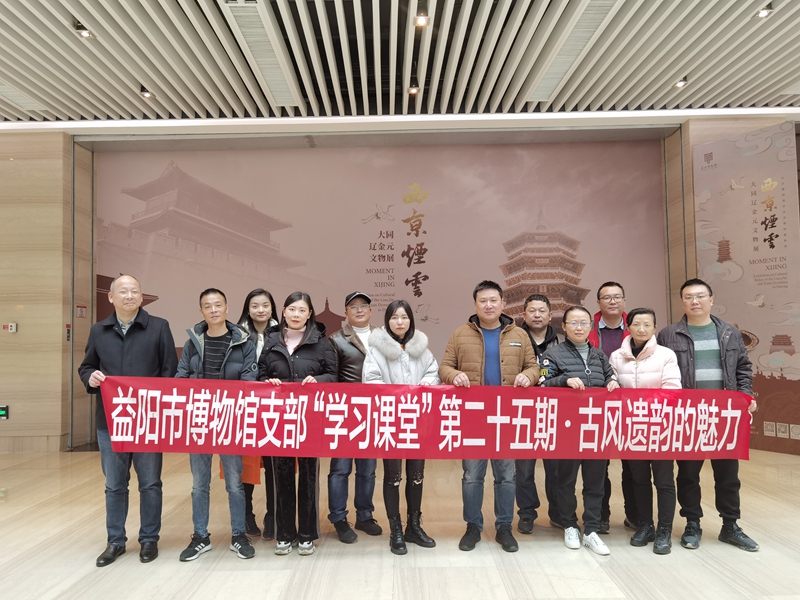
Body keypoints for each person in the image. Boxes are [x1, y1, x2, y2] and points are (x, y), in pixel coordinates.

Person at [79, 275, 178, 567]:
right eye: (123, 291)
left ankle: (149, 539)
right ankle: (115, 541)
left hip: (148, 421)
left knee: (150, 483)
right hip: (111, 421)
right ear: (111, 297)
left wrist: (158, 407)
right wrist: (91, 377)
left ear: (141, 297)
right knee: (114, 485)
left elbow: (169, 372)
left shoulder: (159, 327)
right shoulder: (98, 330)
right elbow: (87, 366)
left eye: (135, 291)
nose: (130, 295)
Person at [657, 278, 759, 552]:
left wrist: (746, 395)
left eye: (701, 296)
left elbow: (743, 368)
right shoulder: (668, 335)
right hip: (687, 416)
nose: (695, 301)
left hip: (724, 415)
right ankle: (692, 523)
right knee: (688, 473)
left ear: (711, 299)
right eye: (689, 296)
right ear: (682, 302)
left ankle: (730, 525)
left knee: (728, 474)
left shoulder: (729, 333)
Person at [439, 280, 538, 553]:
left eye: (494, 300)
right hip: (473, 417)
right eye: (483, 301)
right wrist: (453, 375)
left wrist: (528, 376)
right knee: (472, 475)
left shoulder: (519, 334)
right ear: (475, 304)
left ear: (503, 303)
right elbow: (444, 367)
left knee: (506, 475)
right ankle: (473, 527)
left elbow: (534, 367)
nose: (489, 305)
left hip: (508, 416)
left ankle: (504, 526)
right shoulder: (460, 334)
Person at [176, 288, 257, 562]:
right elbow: (181, 378)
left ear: (226, 308)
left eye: (218, 305)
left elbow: (249, 380)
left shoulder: (243, 342)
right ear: (201, 311)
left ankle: (238, 535)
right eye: (207, 306)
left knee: (235, 483)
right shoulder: (192, 342)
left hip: (230, 421)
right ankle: (200, 536)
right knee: (199, 484)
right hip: (199, 421)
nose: (213, 310)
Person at [259, 292, 338, 556]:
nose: (296, 314)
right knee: (280, 476)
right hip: (278, 420)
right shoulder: (271, 340)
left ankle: (306, 534)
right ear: (283, 311)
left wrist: (319, 380)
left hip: (309, 419)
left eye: (302, 310)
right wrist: (268, 382)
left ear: (309, 314)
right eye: (291, 309)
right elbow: (260, 375)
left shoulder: (321, 342)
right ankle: (284, 534)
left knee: (308, 476)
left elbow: (333, 376)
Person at [540, 305, 620, 556]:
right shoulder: (552, 354)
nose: (579, 327)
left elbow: (610, 376)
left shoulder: (599, 355)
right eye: (573, 323)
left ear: (591, 326)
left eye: (584, 323)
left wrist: (612, 382)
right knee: (565, 481)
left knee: (595, 482)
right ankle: (569, 525)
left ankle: (592, 529)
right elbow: (542, 383)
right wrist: (564, 381)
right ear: (563, 327)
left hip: (596, 429)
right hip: (567, 428)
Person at [363, 299, 440, 555]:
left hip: (417, 421)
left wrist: (426, 385)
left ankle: (414, 526)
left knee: (417, 475)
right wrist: (398, 396)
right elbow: (370, 380)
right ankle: (395, 529)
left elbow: (433, 372)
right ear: (387, 320)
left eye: (404, 317)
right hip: (390, 421)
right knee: (393, 476)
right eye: (394, 317)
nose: (400, 322)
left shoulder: (421, 348)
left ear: (411, 320)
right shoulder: (377, 350)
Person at [609, 308, 681, 554]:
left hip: (661, 428)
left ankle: (664, 530)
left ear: (654, 328)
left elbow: (673, 390)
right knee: (638, 479)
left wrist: (646, 408)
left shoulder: (666, 355)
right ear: (628, 326)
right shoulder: (616, 357)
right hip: (631, 428)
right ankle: (645, 525)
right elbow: (613, 389)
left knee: (664, 481)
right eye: (636, 324)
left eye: (647, 324)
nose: (641, 329)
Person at [327, 292, 382, 543]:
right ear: (346, 313)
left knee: (367, 469)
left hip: (374, 411)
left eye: (364, 306)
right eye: (353, 307)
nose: (359, 310)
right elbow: (332, 376)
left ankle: (365, 515)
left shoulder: (383, 337)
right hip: (345, 413)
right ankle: (339, 518)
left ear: (370, 310)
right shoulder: (336, 339)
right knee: (340, 469)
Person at [588, 281, 636, 534]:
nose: (612, 301)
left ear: (624, 300)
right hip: (597, 405)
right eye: (606, 297)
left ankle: (634, 515)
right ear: (598, 303)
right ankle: (601, 516)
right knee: (598, 466)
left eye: (617, 296)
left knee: (633, 464)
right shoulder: (587, 328)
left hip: (631, 405)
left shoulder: (637, 326)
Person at [515, 293, 562, 533]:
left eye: (542, 311)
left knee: (556, 469)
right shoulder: (513, 341)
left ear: (550, 315)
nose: (537, 315)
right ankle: (526, 513)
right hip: (522, 414)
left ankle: (558, 512)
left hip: (554, 414)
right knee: (523, 469)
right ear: (523, 315)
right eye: (531, 311)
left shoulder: (562, 344)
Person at [236, 288, 278, 540]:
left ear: (272, 308)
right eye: (255, 306)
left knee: (275, 465)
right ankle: (246, 514)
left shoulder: (283, 334)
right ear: (247, 309)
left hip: (275, 409)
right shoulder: (237, 335)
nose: (260, 310)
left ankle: (273, 515)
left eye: (265, 305)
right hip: (246, 409)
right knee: (246, 465)